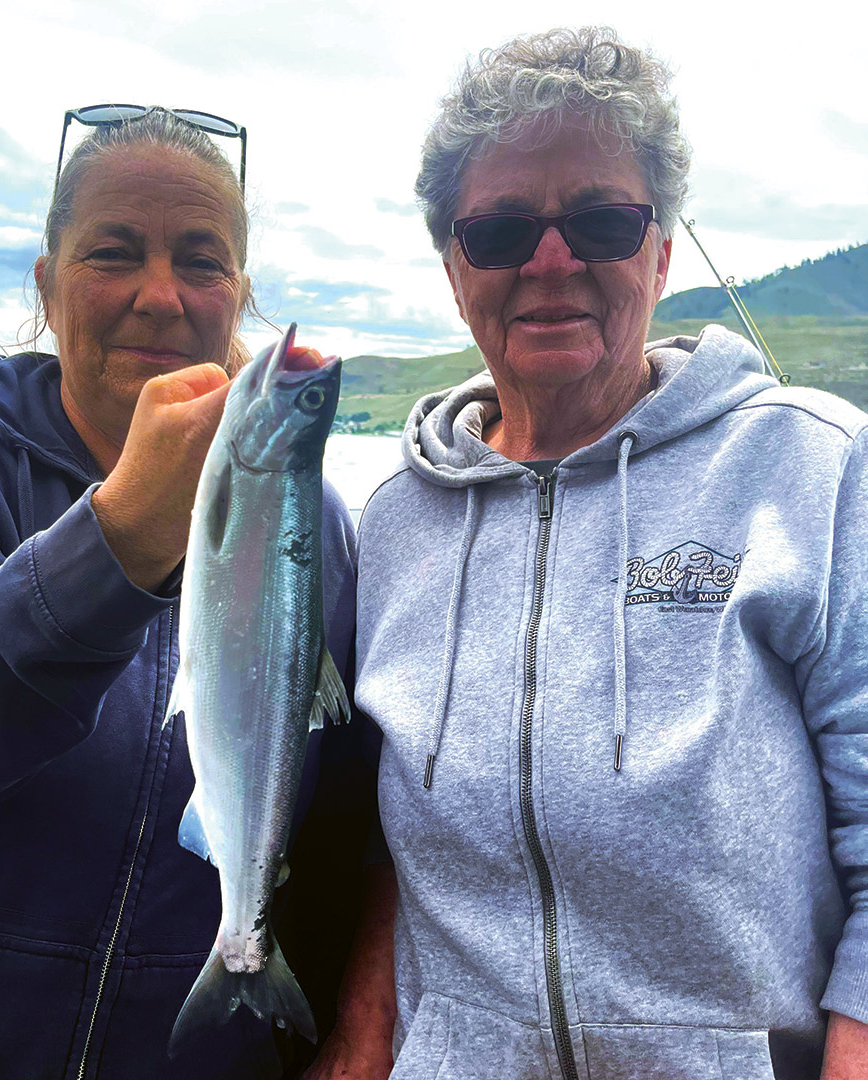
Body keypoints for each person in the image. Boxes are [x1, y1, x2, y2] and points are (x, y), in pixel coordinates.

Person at [0, 109, 371, 1080]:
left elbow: (340, 820)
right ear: (47, 285)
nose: (159, 295)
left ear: (240, 294)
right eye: (113, 253)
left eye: (201, 259)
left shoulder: (317, 531)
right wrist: (118, 539)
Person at [339, 27, 868, 1080]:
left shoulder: (814, 470)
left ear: (661, 251)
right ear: (454, 268)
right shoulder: (396, 517)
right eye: (499, 231)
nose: (551, 260)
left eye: (600, 220)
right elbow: (395, 836)